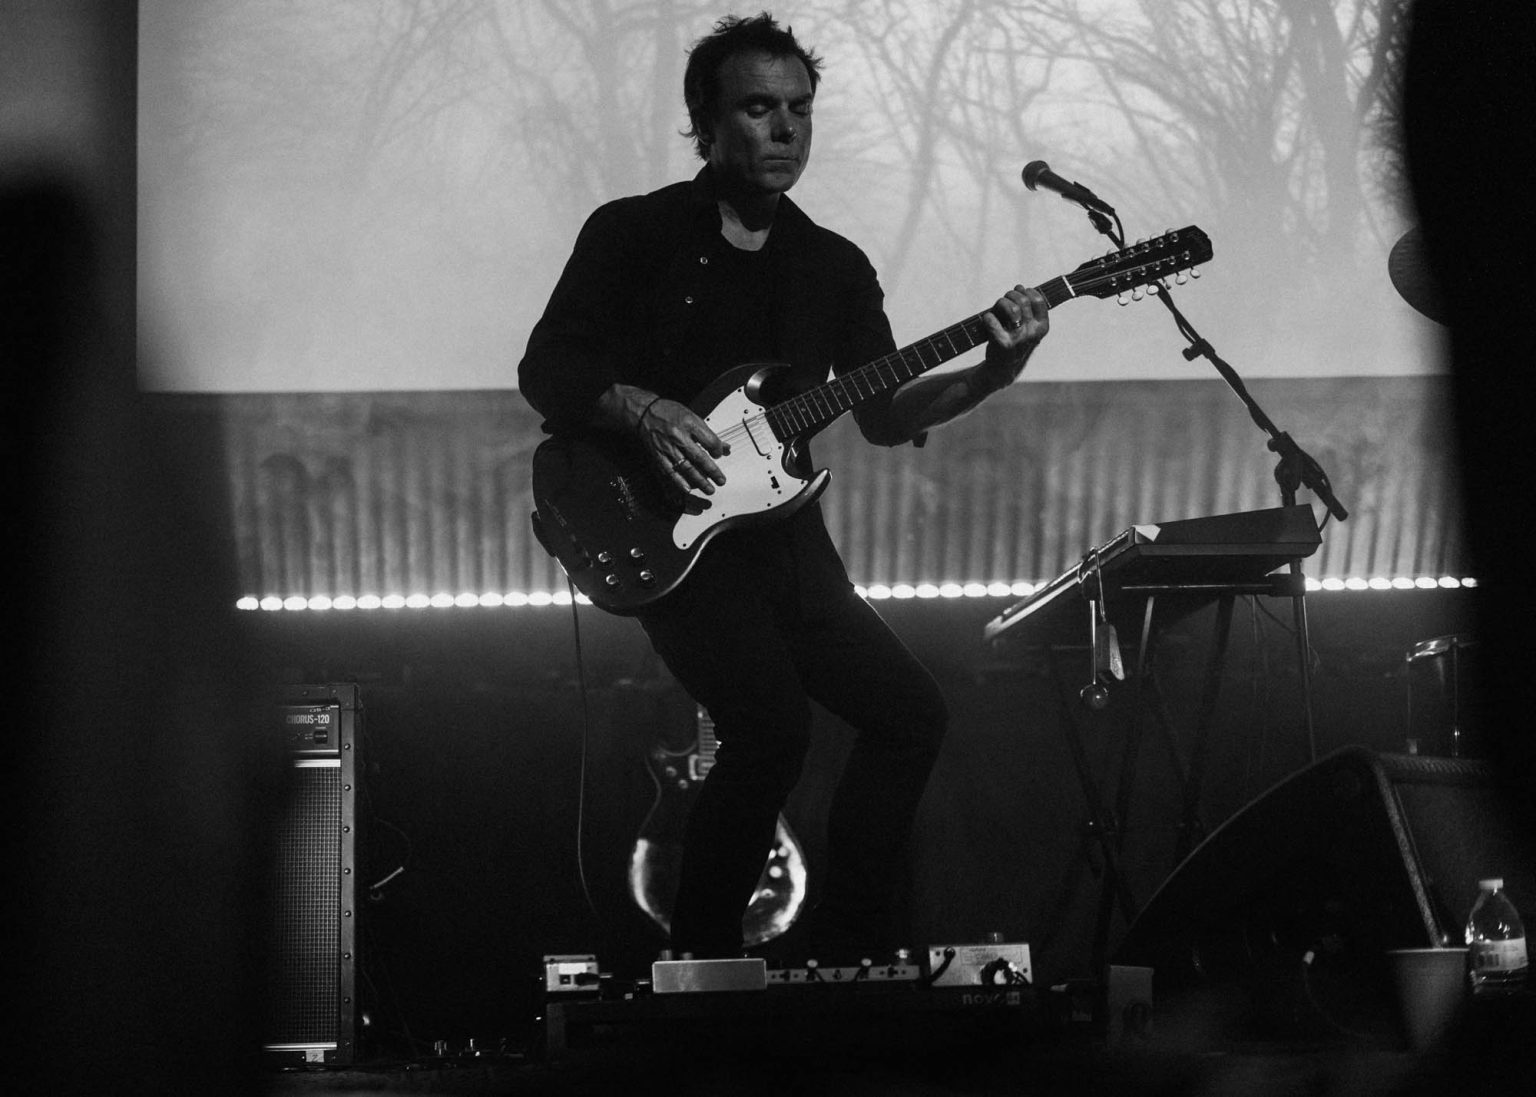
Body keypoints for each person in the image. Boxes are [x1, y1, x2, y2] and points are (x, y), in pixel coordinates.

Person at [519, 13, 1049, 962]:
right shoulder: (633, 234)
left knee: (911, 716)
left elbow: (885, 411)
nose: (785, 130)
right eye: (759, 108)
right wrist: (640, 408)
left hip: (786, 543)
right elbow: (546, 369)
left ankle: (845, 951)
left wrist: (990, 375)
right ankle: (705, 969)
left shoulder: (833, 266)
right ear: (705, 120)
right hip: (667, 535)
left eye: (800, 109)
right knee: (768, 729)